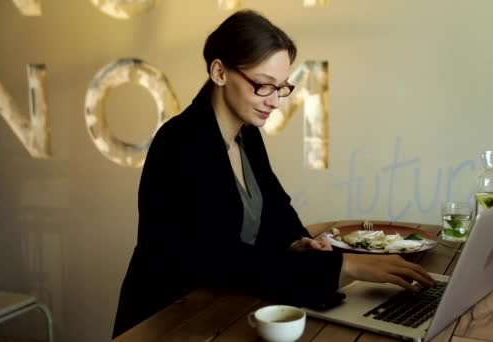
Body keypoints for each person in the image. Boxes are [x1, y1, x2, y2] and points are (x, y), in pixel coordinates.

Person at [112, 9, 436, 338]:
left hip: (218, 309)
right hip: (167, 319)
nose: (274, 102)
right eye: (263, 86)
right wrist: (345, 266)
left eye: (281, 88)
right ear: (220, 71)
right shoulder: (180, 143)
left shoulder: (246, 133)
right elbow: (221, 259)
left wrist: (299, 242)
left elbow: (276, 209)